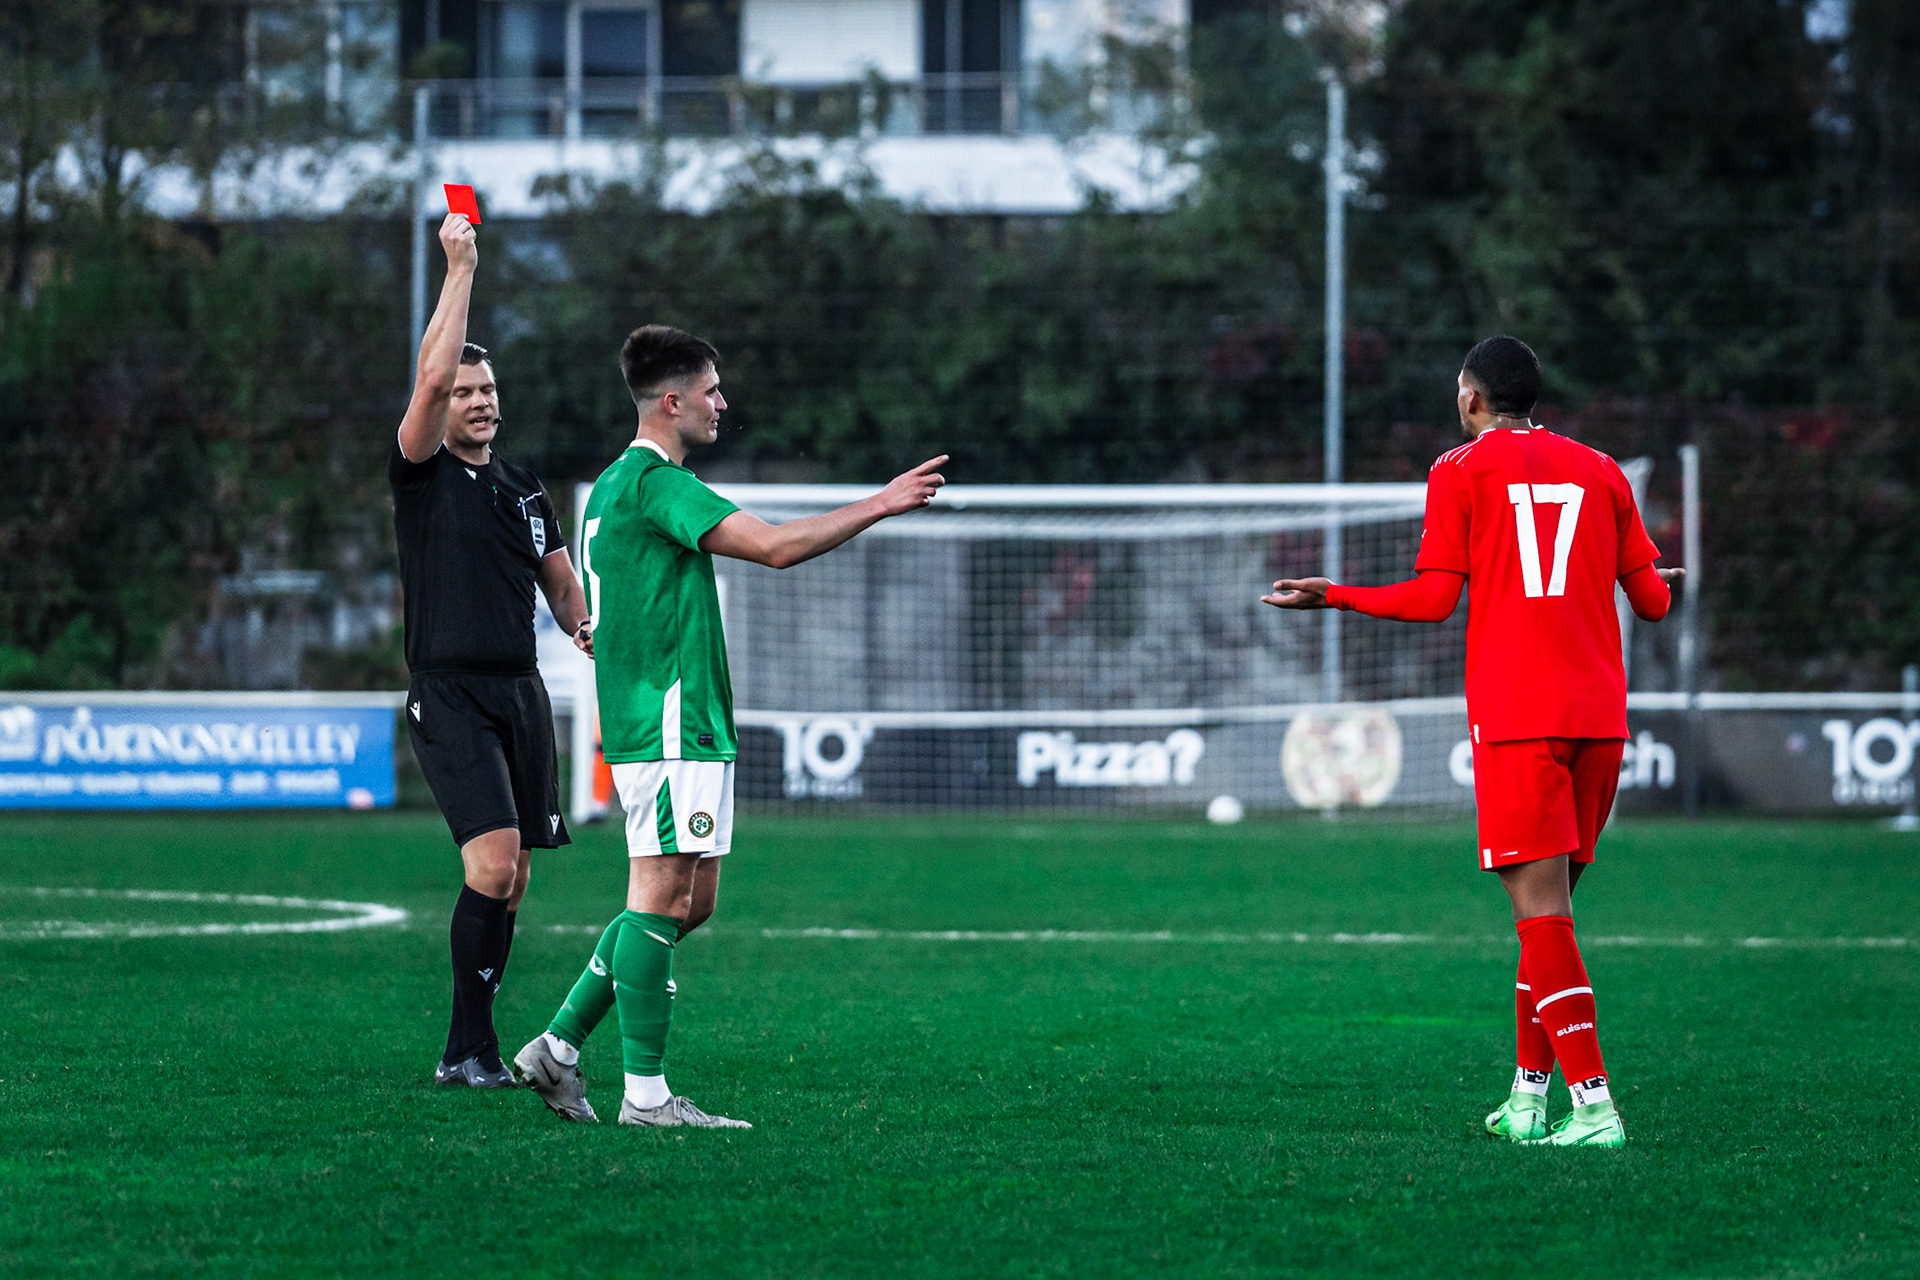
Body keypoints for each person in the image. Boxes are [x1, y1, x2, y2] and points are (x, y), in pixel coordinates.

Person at [513, 325, 947, 1128]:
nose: (723, 403)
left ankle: (558, 1047)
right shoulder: (658, 484)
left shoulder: (612, 487)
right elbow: (777, 548)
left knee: (689, 901)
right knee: (659, 894)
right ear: (671, 401)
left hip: (686, 721)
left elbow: (607, 602)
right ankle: (645, 1097)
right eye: (711, 390)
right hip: (670, 721)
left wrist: (607, 632)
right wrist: (882, 501)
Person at [1262, 335, 1683, 1148]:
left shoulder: (1458, 472)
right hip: (1598, 719)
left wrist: (1336, 596)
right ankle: (1529, 1100)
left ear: (1471, 399)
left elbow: (1430, 602)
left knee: (1543, 925)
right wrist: (1648, 583)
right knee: (1548, 920)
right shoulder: (1602, 470)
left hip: (1519, 718)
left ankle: (1594, 1107)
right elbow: (1655, 608)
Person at [390, 212, 593, 1088]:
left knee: (512, 885)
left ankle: (467, 1049)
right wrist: (460, 265)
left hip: (520, 691)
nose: (478, 400)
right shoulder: (421, 469)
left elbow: (558, 578)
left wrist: (586, 627)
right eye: (464, 391)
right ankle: (466, 1050)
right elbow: (432, 376)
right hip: (450, 691)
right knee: (494, 860)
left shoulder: (523, 488)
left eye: (487, 390)